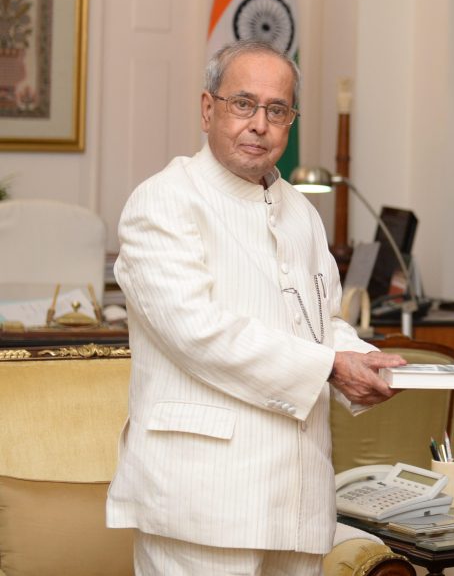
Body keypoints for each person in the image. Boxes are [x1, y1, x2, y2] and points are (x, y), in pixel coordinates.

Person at [107, 40, 406, 575]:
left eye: (277, 110)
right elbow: (197, 332)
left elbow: (321, 321)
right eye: (242, 104)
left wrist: (363, 356)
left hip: (297, 497)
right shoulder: (164, 200)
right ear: (207, 109)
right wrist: (333, 366)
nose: (259, 124)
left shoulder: (300, 211)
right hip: (201, 500)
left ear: (290, 121)